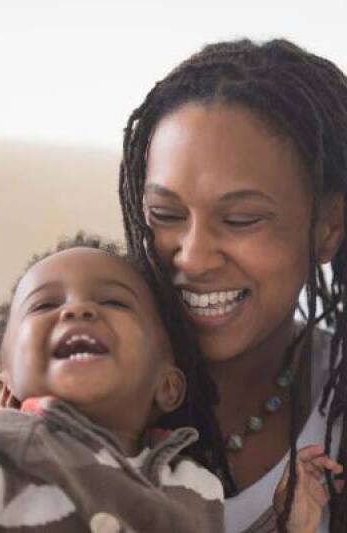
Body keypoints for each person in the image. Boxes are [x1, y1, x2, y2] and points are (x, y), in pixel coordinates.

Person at [0, 234, 339, 533]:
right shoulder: (6, 445)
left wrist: (286, 523)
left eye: (114, 303)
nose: (78, 309)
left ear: (167, 386)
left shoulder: (194, 484)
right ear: (5, 395)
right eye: (45, 305)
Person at [119, 38, 347, 532]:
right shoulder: (43, 363)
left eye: (241, 219)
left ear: (328, 227)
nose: (194, 257)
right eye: (165, 214)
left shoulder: (335, 408)